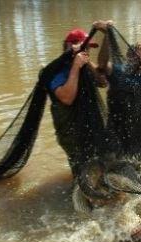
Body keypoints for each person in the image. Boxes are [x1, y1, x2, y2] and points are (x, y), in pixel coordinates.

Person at [93, 21, 141, 171]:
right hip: (116, 130)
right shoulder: (117, 70)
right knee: (117, 167)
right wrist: (107, 36)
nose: (137, 57)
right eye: (134, 54)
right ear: (128, 56)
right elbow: (102, 64)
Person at [46, 28, 104, 176]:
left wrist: (87, 62)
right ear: (70, 46)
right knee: (81, 171)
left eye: (89, 48)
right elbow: (67, 98)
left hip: (90, 126)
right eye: (85, 47)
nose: (88, 51)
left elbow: (103, 82)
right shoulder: (55, 71)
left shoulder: (86, 67)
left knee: (99, 165)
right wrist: (76, 66)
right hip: (71, 133)